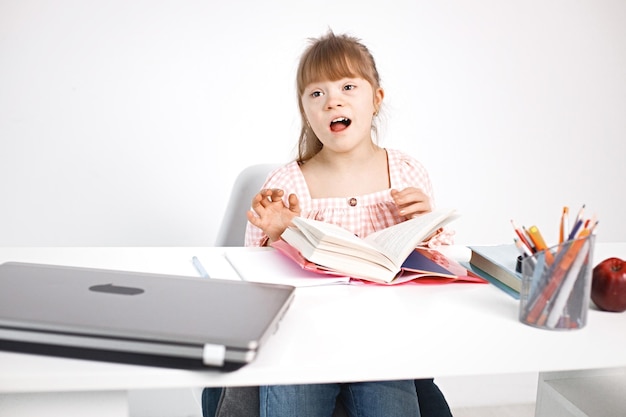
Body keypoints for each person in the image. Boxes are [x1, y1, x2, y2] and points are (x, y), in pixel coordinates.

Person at [243, 31, 454, 417]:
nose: (332, 100)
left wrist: (427, 226)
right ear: (305, 109)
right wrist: (278, 234)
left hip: (384, 337)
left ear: (376, 99)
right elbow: (256, 283)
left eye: (347, 86)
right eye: (316, 93)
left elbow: (438, 272)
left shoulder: (406, 173)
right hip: (302, 340)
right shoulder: (287, 183)